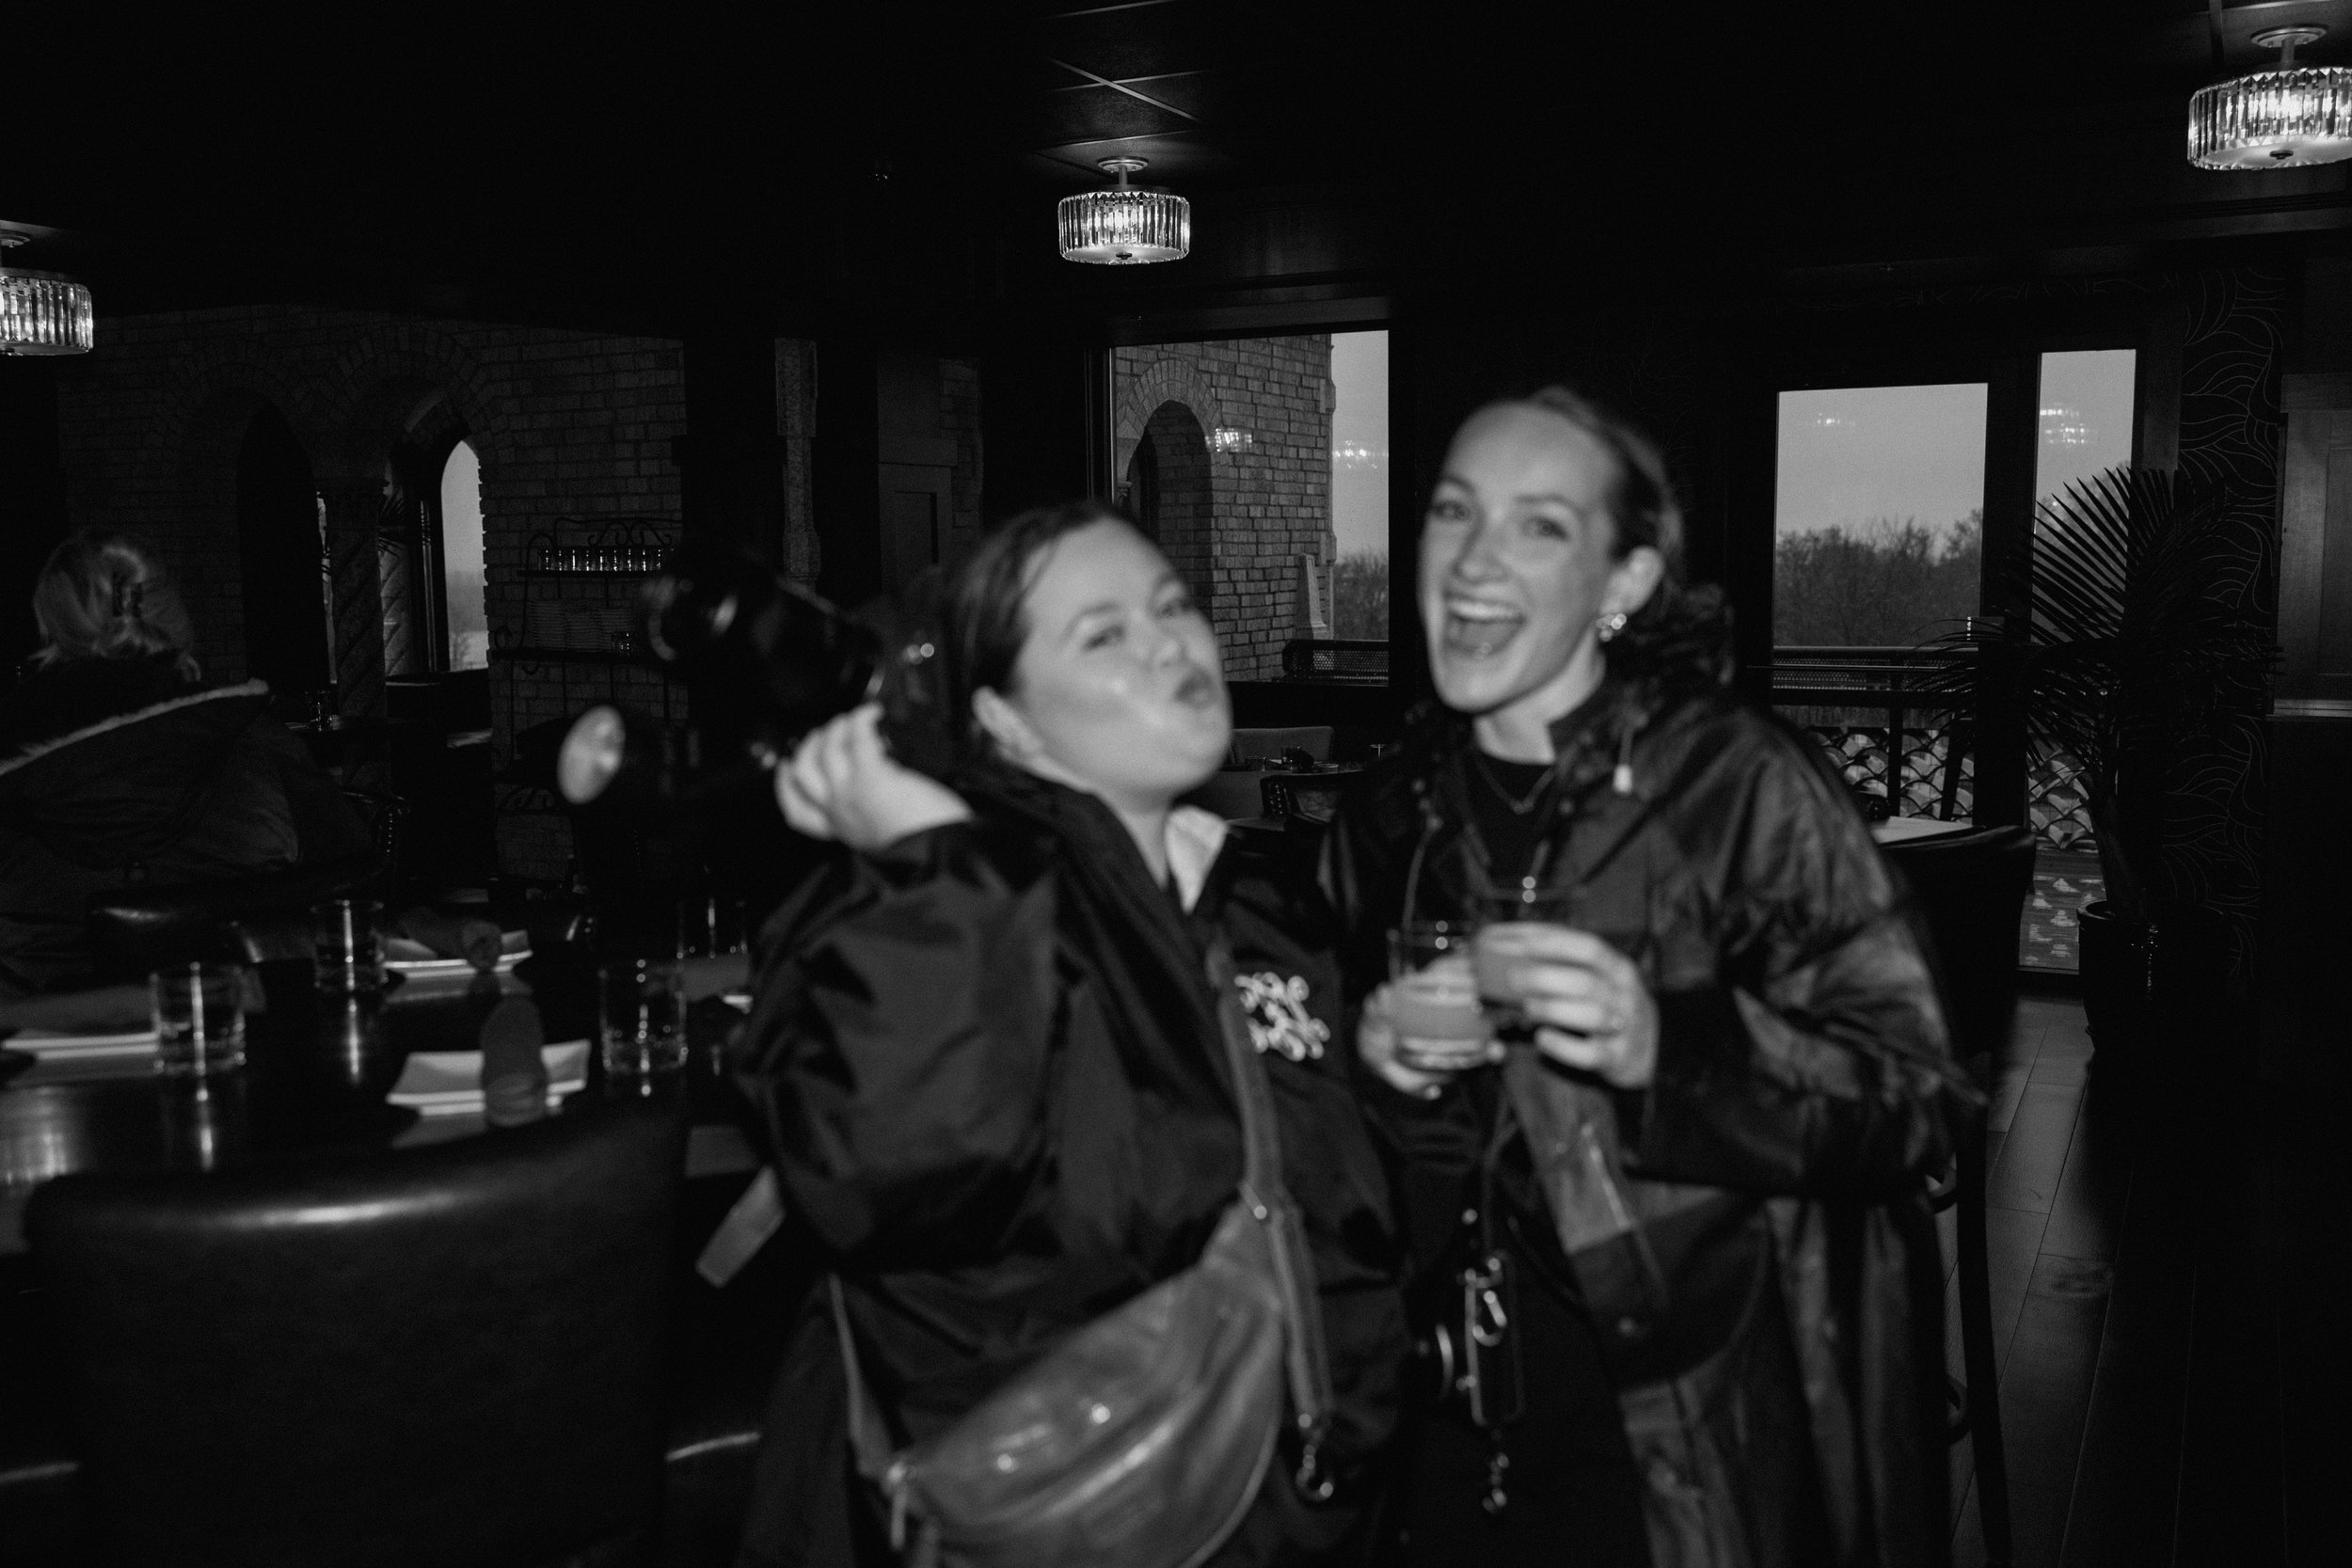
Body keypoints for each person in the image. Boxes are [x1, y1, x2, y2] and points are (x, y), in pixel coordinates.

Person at [1321, 390, 1976, 1568]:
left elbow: (1918, 1096)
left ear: (1622, 583)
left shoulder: (1741, 787)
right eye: (1451, 512)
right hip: (1439, 1424)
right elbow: (1343, 1171)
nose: (1472, 559)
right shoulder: (1387, 822)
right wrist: (1377, 1075)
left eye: (1538, 526)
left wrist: (1670, 1048)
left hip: (1695, 1435)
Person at [731, 503, 1407, 1568]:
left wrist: (1404, 1088)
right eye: (1103, 633)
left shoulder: (1261, 907)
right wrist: (932, 864)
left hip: (1303, 1514)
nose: (1169, 642)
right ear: (1004, 718)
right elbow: (895, 1180)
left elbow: (1348, 1225)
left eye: (1173, 604)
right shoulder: (920, 913)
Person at [0, 530, 369, 993]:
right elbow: (351, 878)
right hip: (239, 1020)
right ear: (171, 614)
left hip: (47, 1037)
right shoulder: (252, 738)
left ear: (52, 623)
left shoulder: (13, 756)